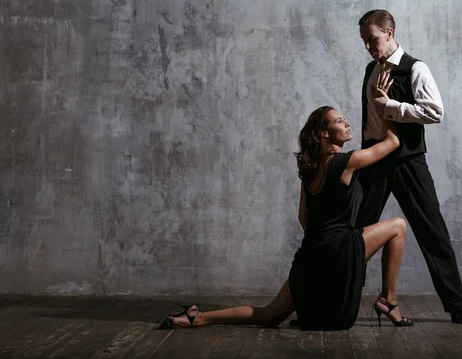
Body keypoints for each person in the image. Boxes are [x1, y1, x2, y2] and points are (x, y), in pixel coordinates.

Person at [158, 79, 414, 330]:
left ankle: (198, 318)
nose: (347, 123)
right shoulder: (348, 161)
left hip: (311, 254)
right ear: (325, 133)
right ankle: (388, 301)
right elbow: (392, 142)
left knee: (269, 315)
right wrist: (386, 105)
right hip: (340, 249)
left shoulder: (310, 170)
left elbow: (304, 217)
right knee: (398, 226)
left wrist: (323, 246)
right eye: (339, 121)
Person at [356, 9, 462, 326]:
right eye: (365, 42)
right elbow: (370, 121)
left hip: (408, 160)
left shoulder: (415, 68)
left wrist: (391, 106)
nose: (369, 47)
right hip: (373, 158)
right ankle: (333, 302)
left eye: (374, 40)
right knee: (354, 234)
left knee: (432, 233)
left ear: (390, 32)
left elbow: (434, 111)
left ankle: (457, 306)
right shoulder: (371, 68)